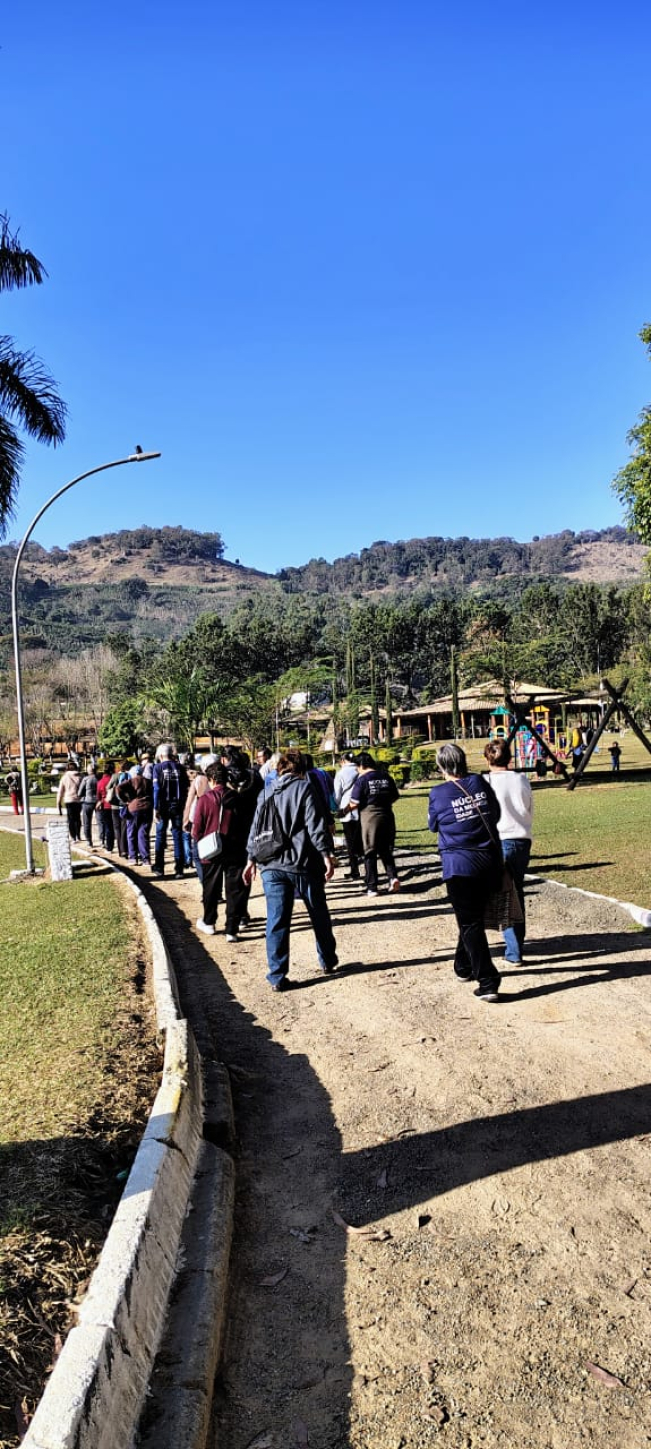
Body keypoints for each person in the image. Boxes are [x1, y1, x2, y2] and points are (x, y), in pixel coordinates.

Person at [244, 749, 338, 991]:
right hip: (302, 862)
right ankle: (328, 960)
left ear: (279, 770)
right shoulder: (305, 788)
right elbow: (315, 825)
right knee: (318, 912)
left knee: (277, 920)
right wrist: (326, 854)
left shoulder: (266, 791)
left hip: (270, 863)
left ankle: (277, 975)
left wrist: (251, 859)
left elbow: (255, 828)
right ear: (302, 770)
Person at [428, 743, 503, 1003]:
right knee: (471, 918)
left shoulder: (438, 793)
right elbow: (496, 814)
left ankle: (488, 980)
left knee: (470, 922)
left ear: (441, 766)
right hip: (489, 861)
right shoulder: (479, 783)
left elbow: (433, 825)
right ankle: (463, 965)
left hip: (459, 865)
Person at [483, 738, 533, 965]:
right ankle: (514, 946)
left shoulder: (485, 782)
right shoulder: (521, 779)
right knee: (516, 892)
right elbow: (528, 807)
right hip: (521, 839)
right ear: (510, 758)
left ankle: (512, 950)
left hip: (499, 840)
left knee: (501, 896)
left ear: (487, 759)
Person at [346, 751, 401, 896]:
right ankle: (393, 878)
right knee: (385, 849)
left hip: (370, 817)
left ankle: (372, 887)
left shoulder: (362, 780)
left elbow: (354, 803)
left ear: (361, 765)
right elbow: (395, 796)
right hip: (387, 815)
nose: (357, 770)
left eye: (357, 767)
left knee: (369, 851)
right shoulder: (386, 776)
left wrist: (343, 811)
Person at [152, 743, 188, 877]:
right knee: (177, 835)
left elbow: (156, 789)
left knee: (160, 835)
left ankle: (159, 868)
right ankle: (179, 869)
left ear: (160, 755)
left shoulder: (157, 768)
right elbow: (186, 786)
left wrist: (155, 808)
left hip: (163, 805)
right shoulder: (180, 767)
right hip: (178, 805)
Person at [334, 752, 363, 880]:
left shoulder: (340, 773)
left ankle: (354, 870)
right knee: (361, 839)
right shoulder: (360, 770)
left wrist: (338, 806)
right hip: (361, 808)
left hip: (347, 810)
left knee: (350, 843)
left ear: (343, 760)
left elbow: (337, 794)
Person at [123, 764, 153, 865]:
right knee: (143, 834)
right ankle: (146, 859)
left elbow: (118, 788)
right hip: (147, 808)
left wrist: (125, 800)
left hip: (134, 808)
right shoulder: (148, 781)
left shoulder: (132, 781)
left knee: (131, 833)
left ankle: (133, 857)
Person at [56, 762, 83, 841]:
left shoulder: (64, 777)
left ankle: (73, 836)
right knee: (77, 818)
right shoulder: (80, 777)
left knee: (71, 819)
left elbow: (60, 791)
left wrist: (58, 802)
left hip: (68, 800)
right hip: (78, 800)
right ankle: (78, 835)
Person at [96, 760, 116, 851]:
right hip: (115, 805)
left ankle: (109, 846)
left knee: (108, 827)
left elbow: (98, 796)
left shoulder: (100, 782)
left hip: (105, 806)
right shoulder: (115, 779)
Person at [77, 764, 98, 847]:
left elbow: (79, 793)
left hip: (87, 801)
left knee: (87, 822)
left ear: (88, 770)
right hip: (98, 801)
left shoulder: (86, 779)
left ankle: (89, 841)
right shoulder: (98, 778)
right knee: (100, 822)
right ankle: (103, 840)